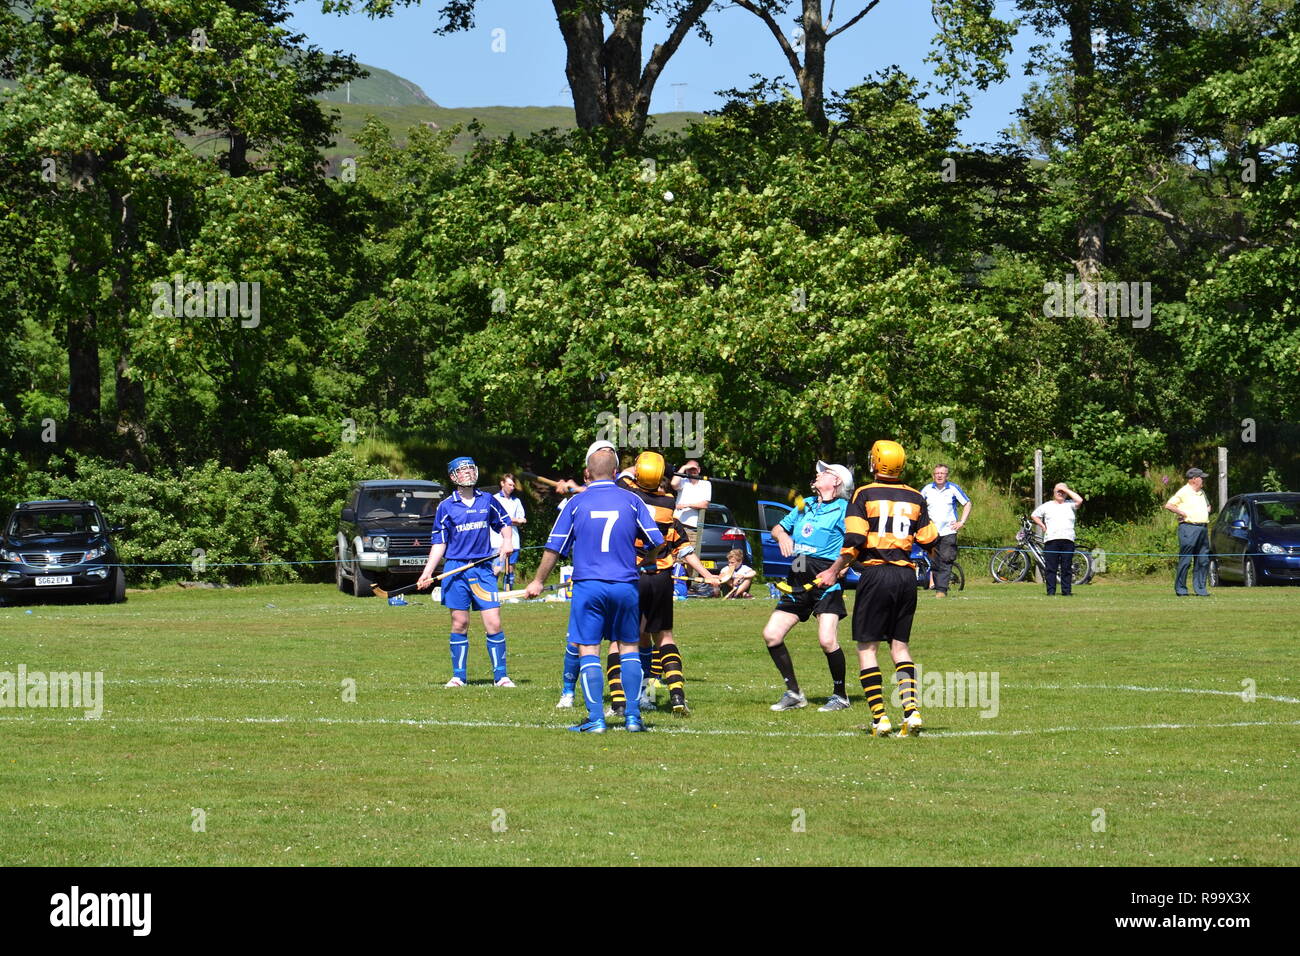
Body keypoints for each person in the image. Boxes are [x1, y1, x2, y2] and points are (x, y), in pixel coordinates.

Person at [526, 441, 665, 732]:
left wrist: (538, 580)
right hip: (625, 585)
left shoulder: (576, 503)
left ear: (588, 473)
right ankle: (633, 718)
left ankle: (596, 719)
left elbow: (553, 548)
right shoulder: (632, 500)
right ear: (616, 472)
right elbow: (657, 540)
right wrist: (647, 562)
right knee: (629, 649)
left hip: (589, 586)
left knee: (589, 650)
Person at [815, 441, 937, 737]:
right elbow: (930, 541)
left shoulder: (864, 493)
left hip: (875, 575)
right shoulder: (916, 496)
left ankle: (880, 717)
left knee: (867, 648)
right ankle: (912, 712)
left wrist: (834, 570)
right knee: (900, 646)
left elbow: (855, 539)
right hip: (906, 578)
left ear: (876, 463)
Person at [617, 452, 718, 717]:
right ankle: (676, 696)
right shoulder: (669, 502)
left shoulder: (627, 494)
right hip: (661, 579)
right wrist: (707, 576)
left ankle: (621, 701)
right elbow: (684, 550)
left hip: (633, 575)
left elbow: (622, 474)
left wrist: (652, 469)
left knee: (627, 639)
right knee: (664, 638)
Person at [416, 457, 515, 688]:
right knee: (459, 623)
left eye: (471, 469)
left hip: (482, 569)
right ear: (453, 477)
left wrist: (507, 541)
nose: (468, 473)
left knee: (494, 622)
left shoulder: (488, 500)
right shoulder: (446, 507)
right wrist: (427, 572)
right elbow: (439, 543)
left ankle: (501, 676)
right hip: (455, 569)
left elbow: (504, 522)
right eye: (463, 471)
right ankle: (459, 676)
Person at [764, 461, 854, 712]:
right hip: (798, 574)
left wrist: (840, 568)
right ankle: (794, 693)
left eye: (824, 472)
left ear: (837, 481)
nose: (817, 474)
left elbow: (855, 544)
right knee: (772, 635)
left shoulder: (846, 509)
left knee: (827, 640)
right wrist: (782, 536)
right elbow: (778, 528)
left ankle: (840, 696)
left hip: (825, 577)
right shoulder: (806, 506)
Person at [919, 464, 971, 598]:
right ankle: (937, 586)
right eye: (937, 473)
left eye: (942, 473)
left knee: (946, 559)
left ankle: (942, 590)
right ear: (933, 475)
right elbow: (917, 506)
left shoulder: (953, 488)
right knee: (935, 562)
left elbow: (967, 503)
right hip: (931, 532)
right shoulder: (926, 489)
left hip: (948, 531)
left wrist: (961, 522)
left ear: (947, 475)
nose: (939, 475)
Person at [1165, 467, 1212, 597]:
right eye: (1201, 478)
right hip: (1189, 528)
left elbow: (1208, 506)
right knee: (1186, 560)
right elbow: (1169, 505)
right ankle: (1181, 589)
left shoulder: (1202, 492)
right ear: (1193, 479)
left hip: (1202, 528)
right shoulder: (1184, 491)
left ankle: (1201, 590)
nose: (1203, 480)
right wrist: (1182, 513)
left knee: (1203, 560)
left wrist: (1206, 509)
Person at [1031, 483, 1084, 596]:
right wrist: (1042, 526)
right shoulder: (1047, 505)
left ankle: (1066, 592)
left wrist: (1066, 489)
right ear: (1053, 493)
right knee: (1051, 568)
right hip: (1051, 540)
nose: (1060, 493)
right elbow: (1034, 515)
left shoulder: (1070, 504)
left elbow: (1080, 500)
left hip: (1068, 540)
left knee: (1066, 567)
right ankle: (1051, 592)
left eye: (1062, 492)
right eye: (1058, 491)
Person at [670, 459, 712, 573]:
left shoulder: (706, 483)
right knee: (674, 554)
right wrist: (684, 467)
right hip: (677, 522)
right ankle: (675, 581)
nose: (692, 472)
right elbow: (673, 484)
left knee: (690, 555)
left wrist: (686, 505)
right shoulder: (683, 481)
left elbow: (705, 504)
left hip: (693, 525)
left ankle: (689, 583)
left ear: (699, 470)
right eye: (690, 470)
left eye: (694, 469)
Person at [490, 473, 526, 590]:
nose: (512, 487)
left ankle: (508, 592)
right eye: (510, 484)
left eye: (513, 485)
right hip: (497, 540)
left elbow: (523, 520)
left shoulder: (516, 501)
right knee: (496, 568)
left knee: (510, 568)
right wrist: (513, 520)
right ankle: (491, 591)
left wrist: (508, 519)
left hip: (514, 540)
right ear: (502, 483)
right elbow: (493, 519)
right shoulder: (494, 499)